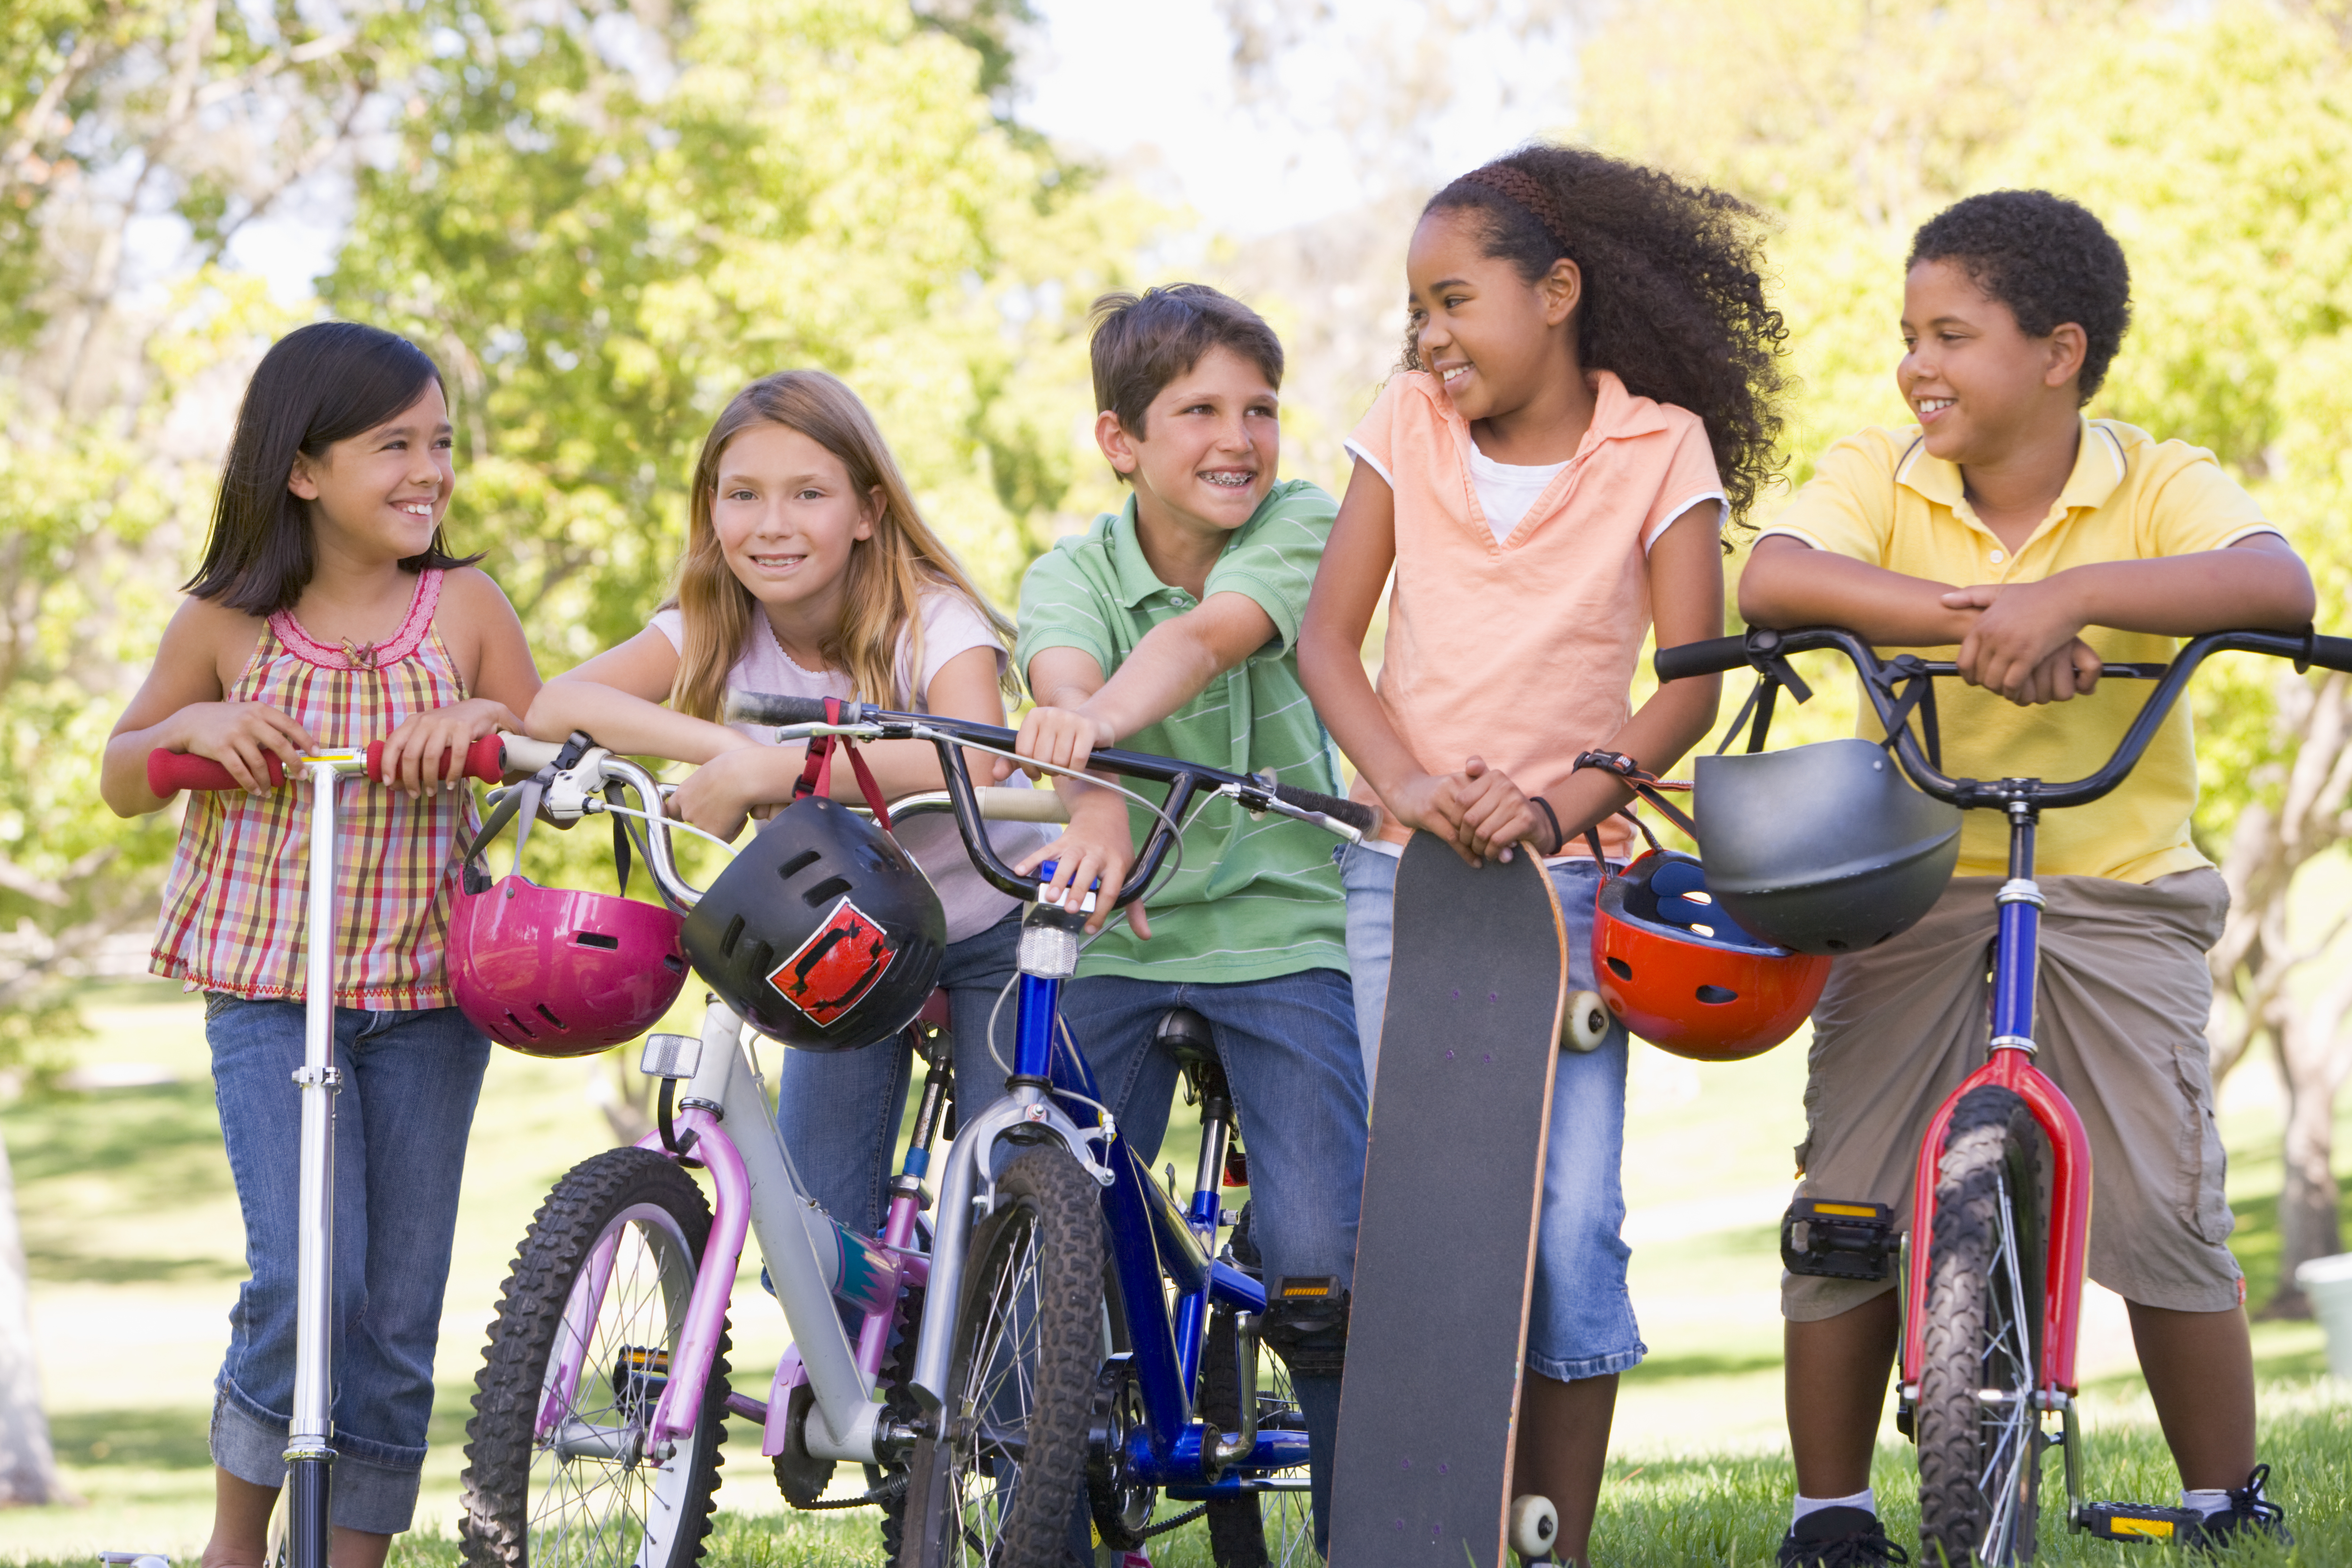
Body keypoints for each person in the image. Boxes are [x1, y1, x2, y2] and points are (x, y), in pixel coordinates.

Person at [1740, 190, 2312, 1565]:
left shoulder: (2156, 479)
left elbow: (2277, 586)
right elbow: (1774, 578)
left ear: (2059, 354)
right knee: (1846, 1198)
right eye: (1908, 335)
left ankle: (2223, 1496)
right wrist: (1982, 618)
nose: (1917, 366)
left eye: (1953, 335)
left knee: (2172, 1200)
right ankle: (1831, 1514)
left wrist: (2080, 600)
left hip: (2118, 886)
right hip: (1918, 881)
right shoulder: (1884, 473)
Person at [1297, 145, 1788, 1567]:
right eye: (1418, 311)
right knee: (1434, 1228)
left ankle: (1546, 1545)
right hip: (1408, 882)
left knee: (1568, 1233)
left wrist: (1562, 808)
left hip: (1567, 894)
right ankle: (1425, 1531)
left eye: (1456, 301)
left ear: (1558, 291)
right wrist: (1402, 786)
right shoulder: (1406, 422)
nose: (1431, 337)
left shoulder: (1660, 447)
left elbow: (1687, 680)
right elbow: (1334, 642)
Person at [99, 322, 540, 1566]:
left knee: (395, 1313)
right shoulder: (228, 620)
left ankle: (351, 1562)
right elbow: (123, 778)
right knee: (305, 1282)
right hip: (266, 995)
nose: (429, 471)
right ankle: (234, 1548)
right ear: (303, 469)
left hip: (426, 1005)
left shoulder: (465, 606)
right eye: (393, 444)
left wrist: (482, 721)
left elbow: (541, 747)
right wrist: (195, 725)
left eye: (440, 444)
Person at [1006, 284, 1368, 1552]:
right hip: (1130, 936)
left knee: (1325, 1256)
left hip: (1282, 927)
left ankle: (1360, 1525)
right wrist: (1078, 753)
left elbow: (1214, 639)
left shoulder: (1303, 522)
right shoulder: (1075, 570)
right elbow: (1058, 666)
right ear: (1121, 443)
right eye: (1198, 410)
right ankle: (1046, 1500)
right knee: (1042, 1225)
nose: (1239, 437)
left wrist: (1099, 727)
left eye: (1260, 408)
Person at [525, 368, 1045, 1237]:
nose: (772, 525)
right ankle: (861, 1361)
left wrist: (779, 773)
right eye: (743, 495)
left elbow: (974, 757)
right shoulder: (715, 627)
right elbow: (554, 706)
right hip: (840, 936)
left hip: (997, 921)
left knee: (1007, 1211)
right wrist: (729, 749)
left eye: (809, 493)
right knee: (812, 1225)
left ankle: (993, 1347)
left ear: (869, 512)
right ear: (711, 509)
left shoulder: (934, 617)